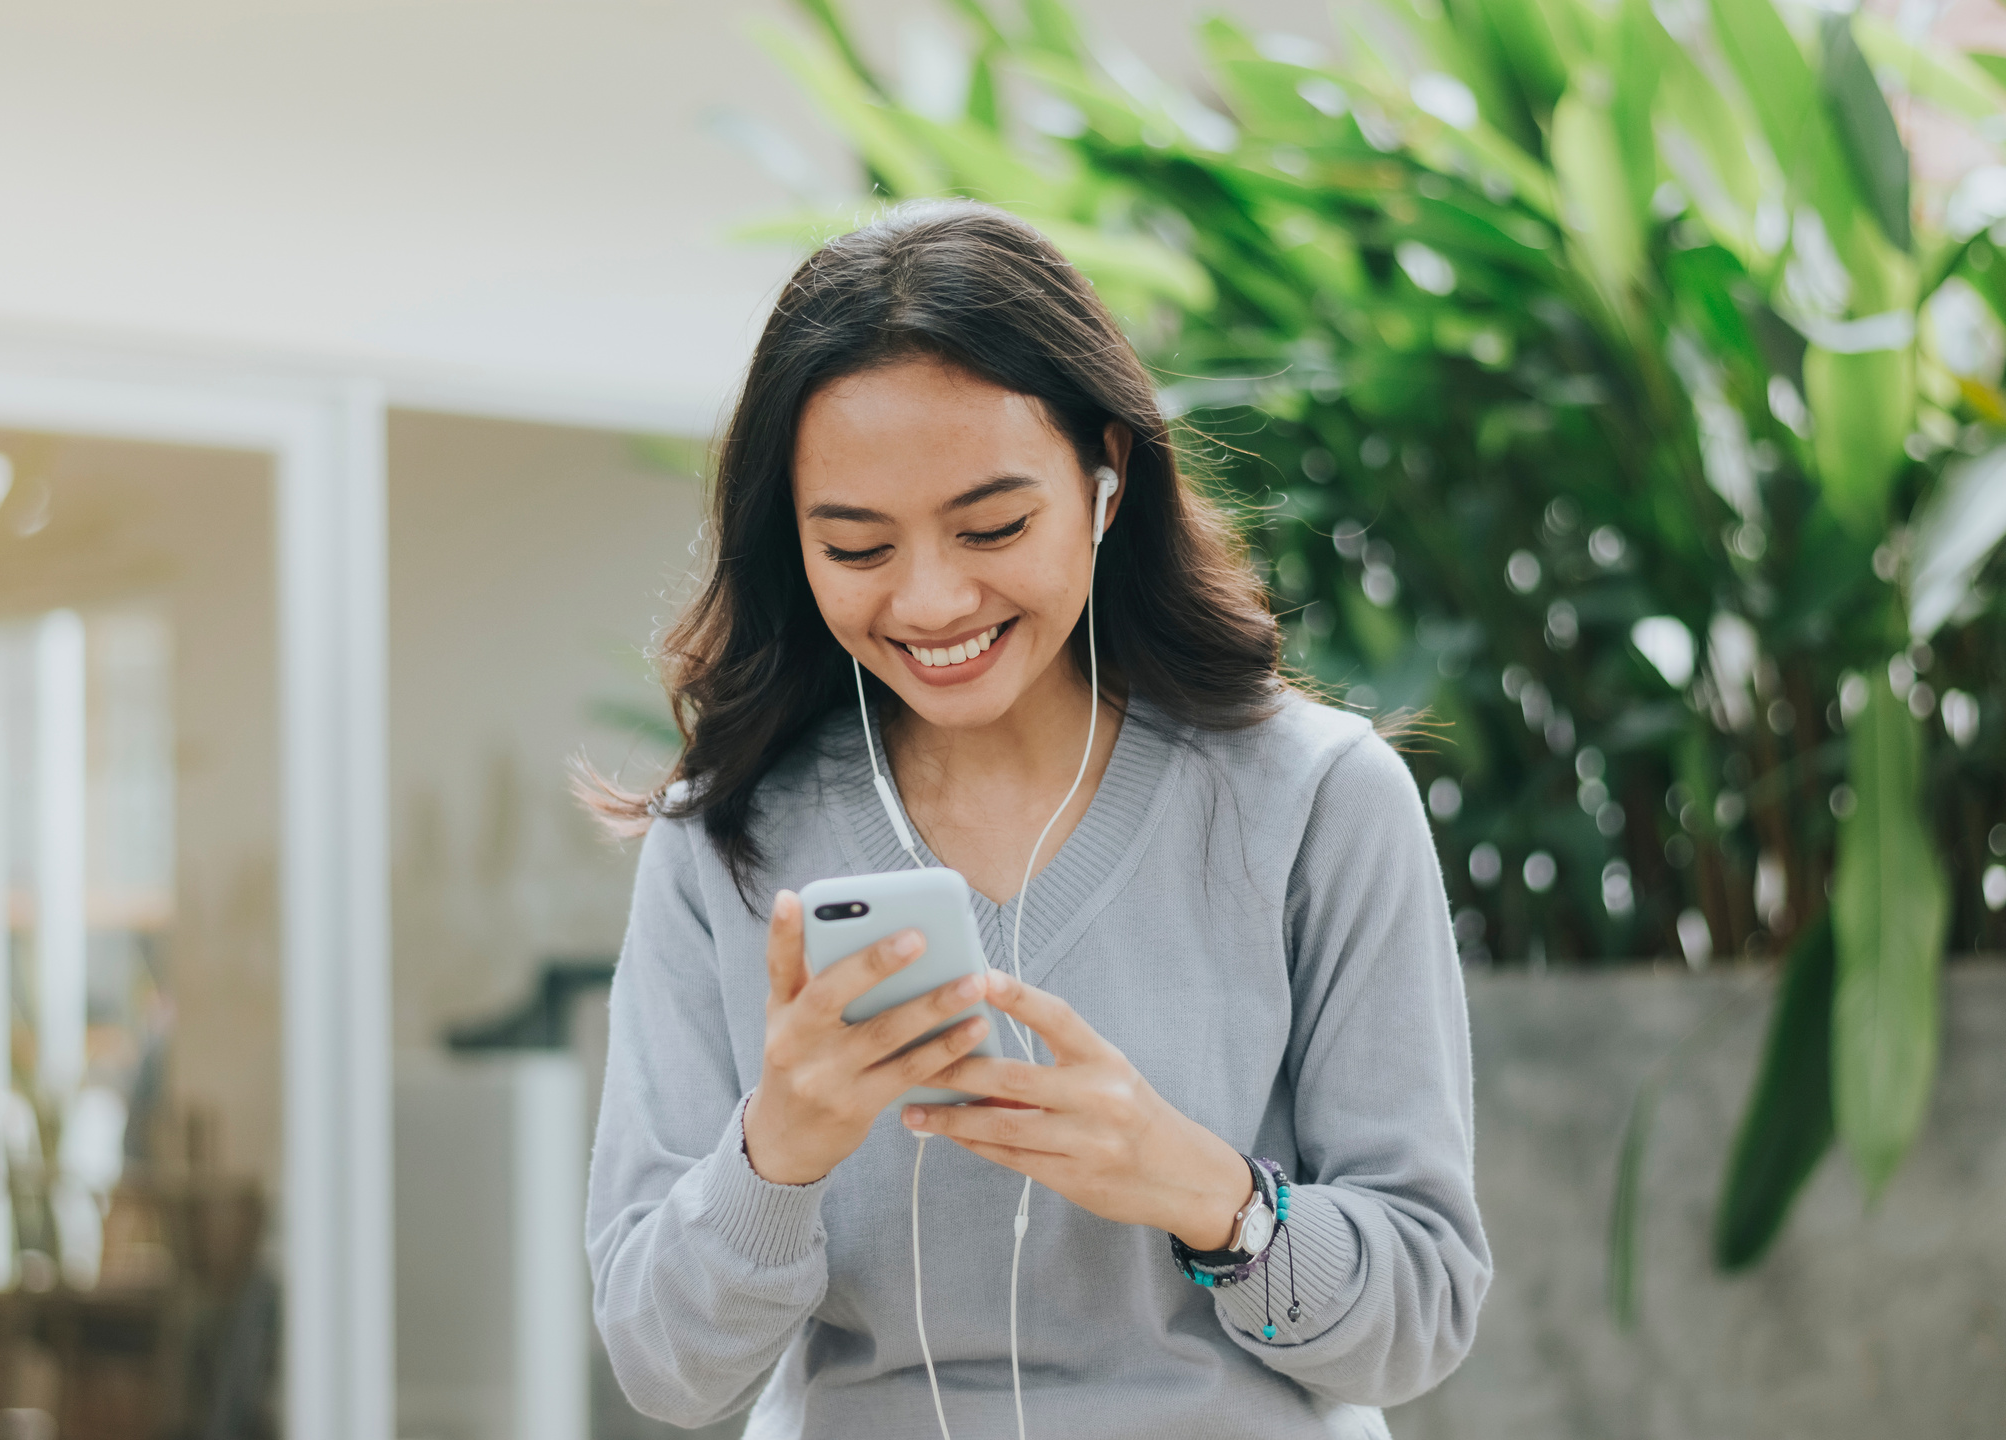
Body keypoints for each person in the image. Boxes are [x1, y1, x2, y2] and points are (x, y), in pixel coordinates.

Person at [583, 200, 1489, 1440]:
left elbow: (1421, 1322)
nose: (932, 598)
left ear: (1105, 481)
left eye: (993, 526)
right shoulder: (723, 841)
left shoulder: (1318, 802)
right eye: (854, 546)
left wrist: (1204, 1193)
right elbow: (667, 1373)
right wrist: (776, 1150)